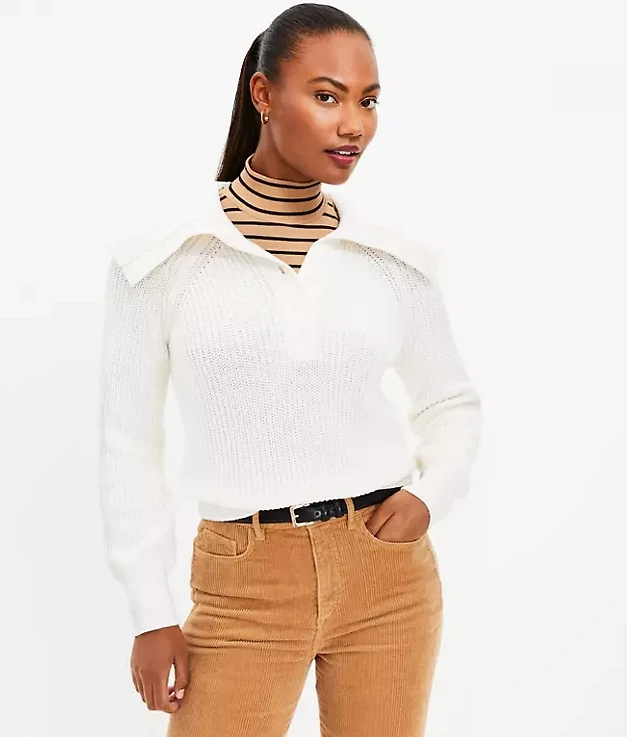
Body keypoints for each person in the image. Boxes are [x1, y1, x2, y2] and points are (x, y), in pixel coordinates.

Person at [98, 4, 483, 736]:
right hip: (244, 578)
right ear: (264, 94)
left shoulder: (390, 260)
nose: (354, 125)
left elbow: (451, 401)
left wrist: (430, 495)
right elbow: (128, 443)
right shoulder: (164, 257)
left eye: (368, 101)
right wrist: (150, 612)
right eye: (328, 95)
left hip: (387, 571)